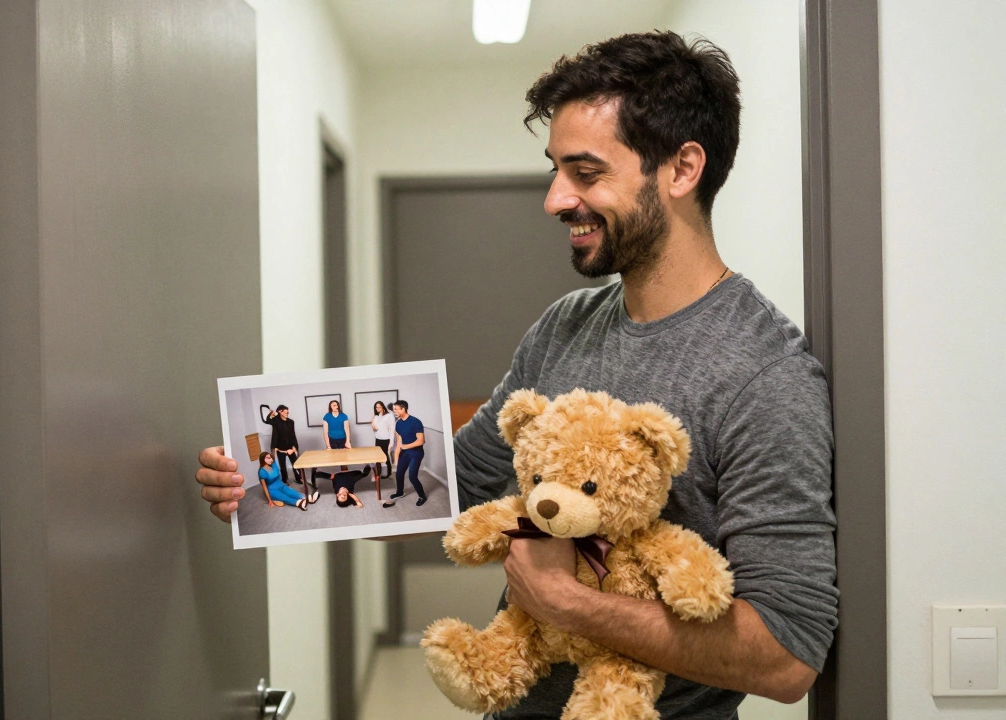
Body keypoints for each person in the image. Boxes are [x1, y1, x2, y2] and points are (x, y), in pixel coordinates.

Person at [197, 30, 836, 718]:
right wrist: (280, 478)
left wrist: (571, 605)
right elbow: (451, 480)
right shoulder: (566, 325)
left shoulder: (765, 376)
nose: (557, 199)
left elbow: (788, 653)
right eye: (556, 169)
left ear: (681, 170)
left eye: (586, 173)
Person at [383, 400, 426, 508]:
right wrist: (395, 463)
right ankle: (400, 492)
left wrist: (406, 446)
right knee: (399, 473)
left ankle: (422, 496)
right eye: (393, 410)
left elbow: (421, 441)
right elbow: (399, 443)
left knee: (412, 476)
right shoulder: (398, 424)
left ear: (403, 409)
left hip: (416, 453)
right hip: (405, 453)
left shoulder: (416, 422)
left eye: (396, 409)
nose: (394, 411)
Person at [261, 404, 302, 485]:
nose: (287, 414)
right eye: (286, 412)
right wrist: (271, 414)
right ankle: (284, 480)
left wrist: (294, 447)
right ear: (280, 411)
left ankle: (298, 478)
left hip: (290, 447)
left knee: (295, 464)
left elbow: (293, 435)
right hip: (280, 448)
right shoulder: (275, 421)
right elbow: (266, 421)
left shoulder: (291, 422)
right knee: (282, 465)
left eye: (288, 413)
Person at [368, 401, 395, 478]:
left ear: (383, 407)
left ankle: (389, 472)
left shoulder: (389, 416)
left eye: (379, 407)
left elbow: (392, 429)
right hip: (378, 439)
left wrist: (391, 442)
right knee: (378, 457)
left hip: (386, 439)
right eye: (376, 407)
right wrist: (372, 422)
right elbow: (375, 429)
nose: (377, 408)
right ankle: (378, 473)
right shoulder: (376, 417)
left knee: (385, 456)